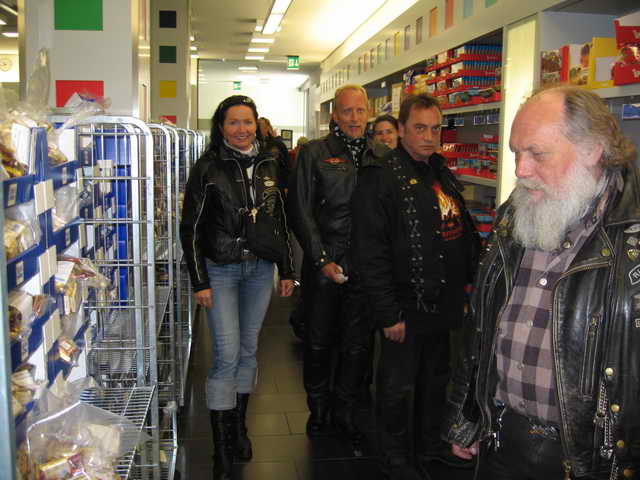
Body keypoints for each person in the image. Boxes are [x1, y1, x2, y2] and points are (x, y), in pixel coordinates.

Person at [443, 86, 639, 480]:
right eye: (516, 152)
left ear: (592, 149)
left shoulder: (631, 238)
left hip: (590, 460)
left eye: (537, 153)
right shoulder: (513, 217)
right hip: (502, 437)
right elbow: (481, 327)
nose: (521, 170)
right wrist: (468, 415)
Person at [351, 93, 479, 480]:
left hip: (443, 303)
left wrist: (469, 287)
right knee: (397, 387)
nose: (429, 136)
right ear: (401, 129)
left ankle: (428, 448)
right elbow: (370, 252)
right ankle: (394, 459)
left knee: (435, 381)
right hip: (405, 306)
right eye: (420, 128)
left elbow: (460, 233)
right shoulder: (380, 177)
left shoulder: (439, 171)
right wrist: (388, 312)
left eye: (435, 128)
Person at [180, 95, 295, 480]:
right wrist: (199, 280)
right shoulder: (207, 167)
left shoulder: (271, 164)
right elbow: (191, 228)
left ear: (256, 124)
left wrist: (287, 269)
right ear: (221, 126)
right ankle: (222, 448)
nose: (241, 129)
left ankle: (239, 429)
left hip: (261, 269)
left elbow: (280, 220)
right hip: (222, 271)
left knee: (248, 350)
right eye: (233, 122)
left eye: (247, 122)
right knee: (226, 355)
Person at [288, 84, 388, 445]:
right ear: (335, 115)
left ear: (369, 113)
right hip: (326, 266)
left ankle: (346, 411)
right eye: (347, 111)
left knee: (357, 345)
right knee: (318, 342)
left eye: (360, 111)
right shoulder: (314, 153)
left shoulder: (382, 154)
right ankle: (319, 410)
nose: (355, 118)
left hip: (366, 268)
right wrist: (322, 260)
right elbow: (300, 211)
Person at [259, 116, 291, 187]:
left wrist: (286, 186)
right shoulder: (254, 145)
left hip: (277, 182)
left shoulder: (278, 144)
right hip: (261, 183)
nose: (259, 129)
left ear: (267, 128)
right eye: (258, 126)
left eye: (262, 126)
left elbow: (287, 166)